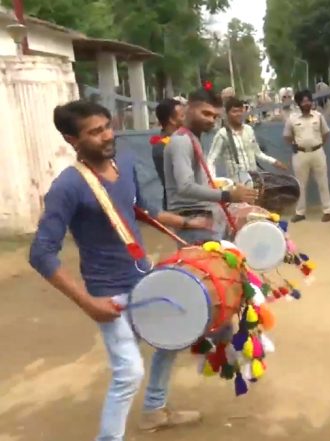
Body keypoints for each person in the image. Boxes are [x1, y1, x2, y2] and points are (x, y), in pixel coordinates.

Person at [28, 100, 215, 440]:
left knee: (173, 336)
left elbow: (142, 211)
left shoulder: (124, 161)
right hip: (107, 293)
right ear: (72, 140)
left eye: (107, 126)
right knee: (128, 372)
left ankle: (154, 410)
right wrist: (88, 303)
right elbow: (41, 253)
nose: (106, 136)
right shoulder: (67, 187)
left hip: (143, 278)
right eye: (94, 132)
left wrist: (187, 225)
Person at [164, 89, 258, 244]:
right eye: (205, 113)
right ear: (188, 108)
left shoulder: (191, 137)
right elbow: (185, 187)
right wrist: (228, 195)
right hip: (194, 223)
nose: (211, 120)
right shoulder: (181, 141)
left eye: (215, 116)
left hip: (204, 220)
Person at [206, 97, 287, 186]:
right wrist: (213, 181)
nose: (238, 114)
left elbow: (258, 153)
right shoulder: (222, 134)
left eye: (240, 111)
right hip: (237, 183)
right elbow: (211, 160)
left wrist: (274, 162)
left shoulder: (249, 130)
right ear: (227, 114)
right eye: (234, 111)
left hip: (254, 180)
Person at [283, 89, 330, 223]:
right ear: (299, 103)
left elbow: (326, 132)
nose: (307, 103)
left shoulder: (318, 116)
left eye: (308, 100)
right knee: (300, 184)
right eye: (303, 101)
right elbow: (287, 135)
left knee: (323, 182)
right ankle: (300, 212)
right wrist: (292, 144)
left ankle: (327, 210)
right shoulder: (292, 118)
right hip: (300, 154)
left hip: (317, 152)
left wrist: (320, 143)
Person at [151, 98, 185, 209]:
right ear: (172, 120)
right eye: (182, 115)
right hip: (179, 207)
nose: (186, 119)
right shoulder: (163, 147)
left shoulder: (181, 139)